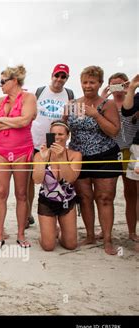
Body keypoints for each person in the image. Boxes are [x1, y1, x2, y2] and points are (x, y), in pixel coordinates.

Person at [64, 66, 121, 255]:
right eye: (85, 82)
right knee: (85, 198)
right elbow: (63, 129)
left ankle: (107, 239)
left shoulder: (107, 104)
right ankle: (89, 235)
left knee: (104, 199)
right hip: (79, 157)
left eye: (92, 82)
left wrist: (96, 115)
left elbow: (114, 131)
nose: (88, 86)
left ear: (100, 84)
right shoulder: (72, 104)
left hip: (105, 155)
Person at [0, 65, 36, 249]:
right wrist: (12, 123)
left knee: (22, 194)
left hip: (22, 150)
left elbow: (25, 120)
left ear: (14, 81)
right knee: (0, 193)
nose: (0, 85)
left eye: (2, 81)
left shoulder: (29, 97)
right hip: (1, 150)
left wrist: (1, 120)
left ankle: (21, 234)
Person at [28, 64, 75, 228]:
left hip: (57, 141)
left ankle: (60, 209)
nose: (59, 79)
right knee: (32, 180)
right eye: (57, 75)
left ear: (67, 79)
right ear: (52, 75)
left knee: (58, 176)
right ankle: (28, 213)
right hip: (36, 141)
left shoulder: (69, 94)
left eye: (63, 77)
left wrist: (66, 139)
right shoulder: (39, 91)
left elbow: (68, 119)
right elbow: (30, 113)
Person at [32, 121, 81, 251]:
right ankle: (47, 234)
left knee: (71, 245)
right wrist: (42, 160)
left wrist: (61, 158)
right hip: (47, 201)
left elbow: (70, 179)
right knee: (48, 246)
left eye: (61, 134)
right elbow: (36, 180)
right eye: (54, 134)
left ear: (67, 135)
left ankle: (58, 232)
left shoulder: (75, 155)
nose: (57, 137)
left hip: (67, 201)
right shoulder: (40, 154)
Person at [102, 73, 138, 242]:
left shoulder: (133, 101)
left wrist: (130, 89)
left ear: (126, 84)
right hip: (111, 150)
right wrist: (102, 97)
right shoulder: (106, 104)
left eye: (121, 84)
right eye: (113, 85)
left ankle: (131, 232)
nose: (118, 88)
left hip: (130, 150)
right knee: (107, 193)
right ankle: (105, 231)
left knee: (130, 194)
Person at [121, 73, 139, 247]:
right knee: (134, 194)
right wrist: (132, 87)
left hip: (133, 148)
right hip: (137, 148)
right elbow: (127, 111)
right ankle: (134, 232)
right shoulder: (137, 96)